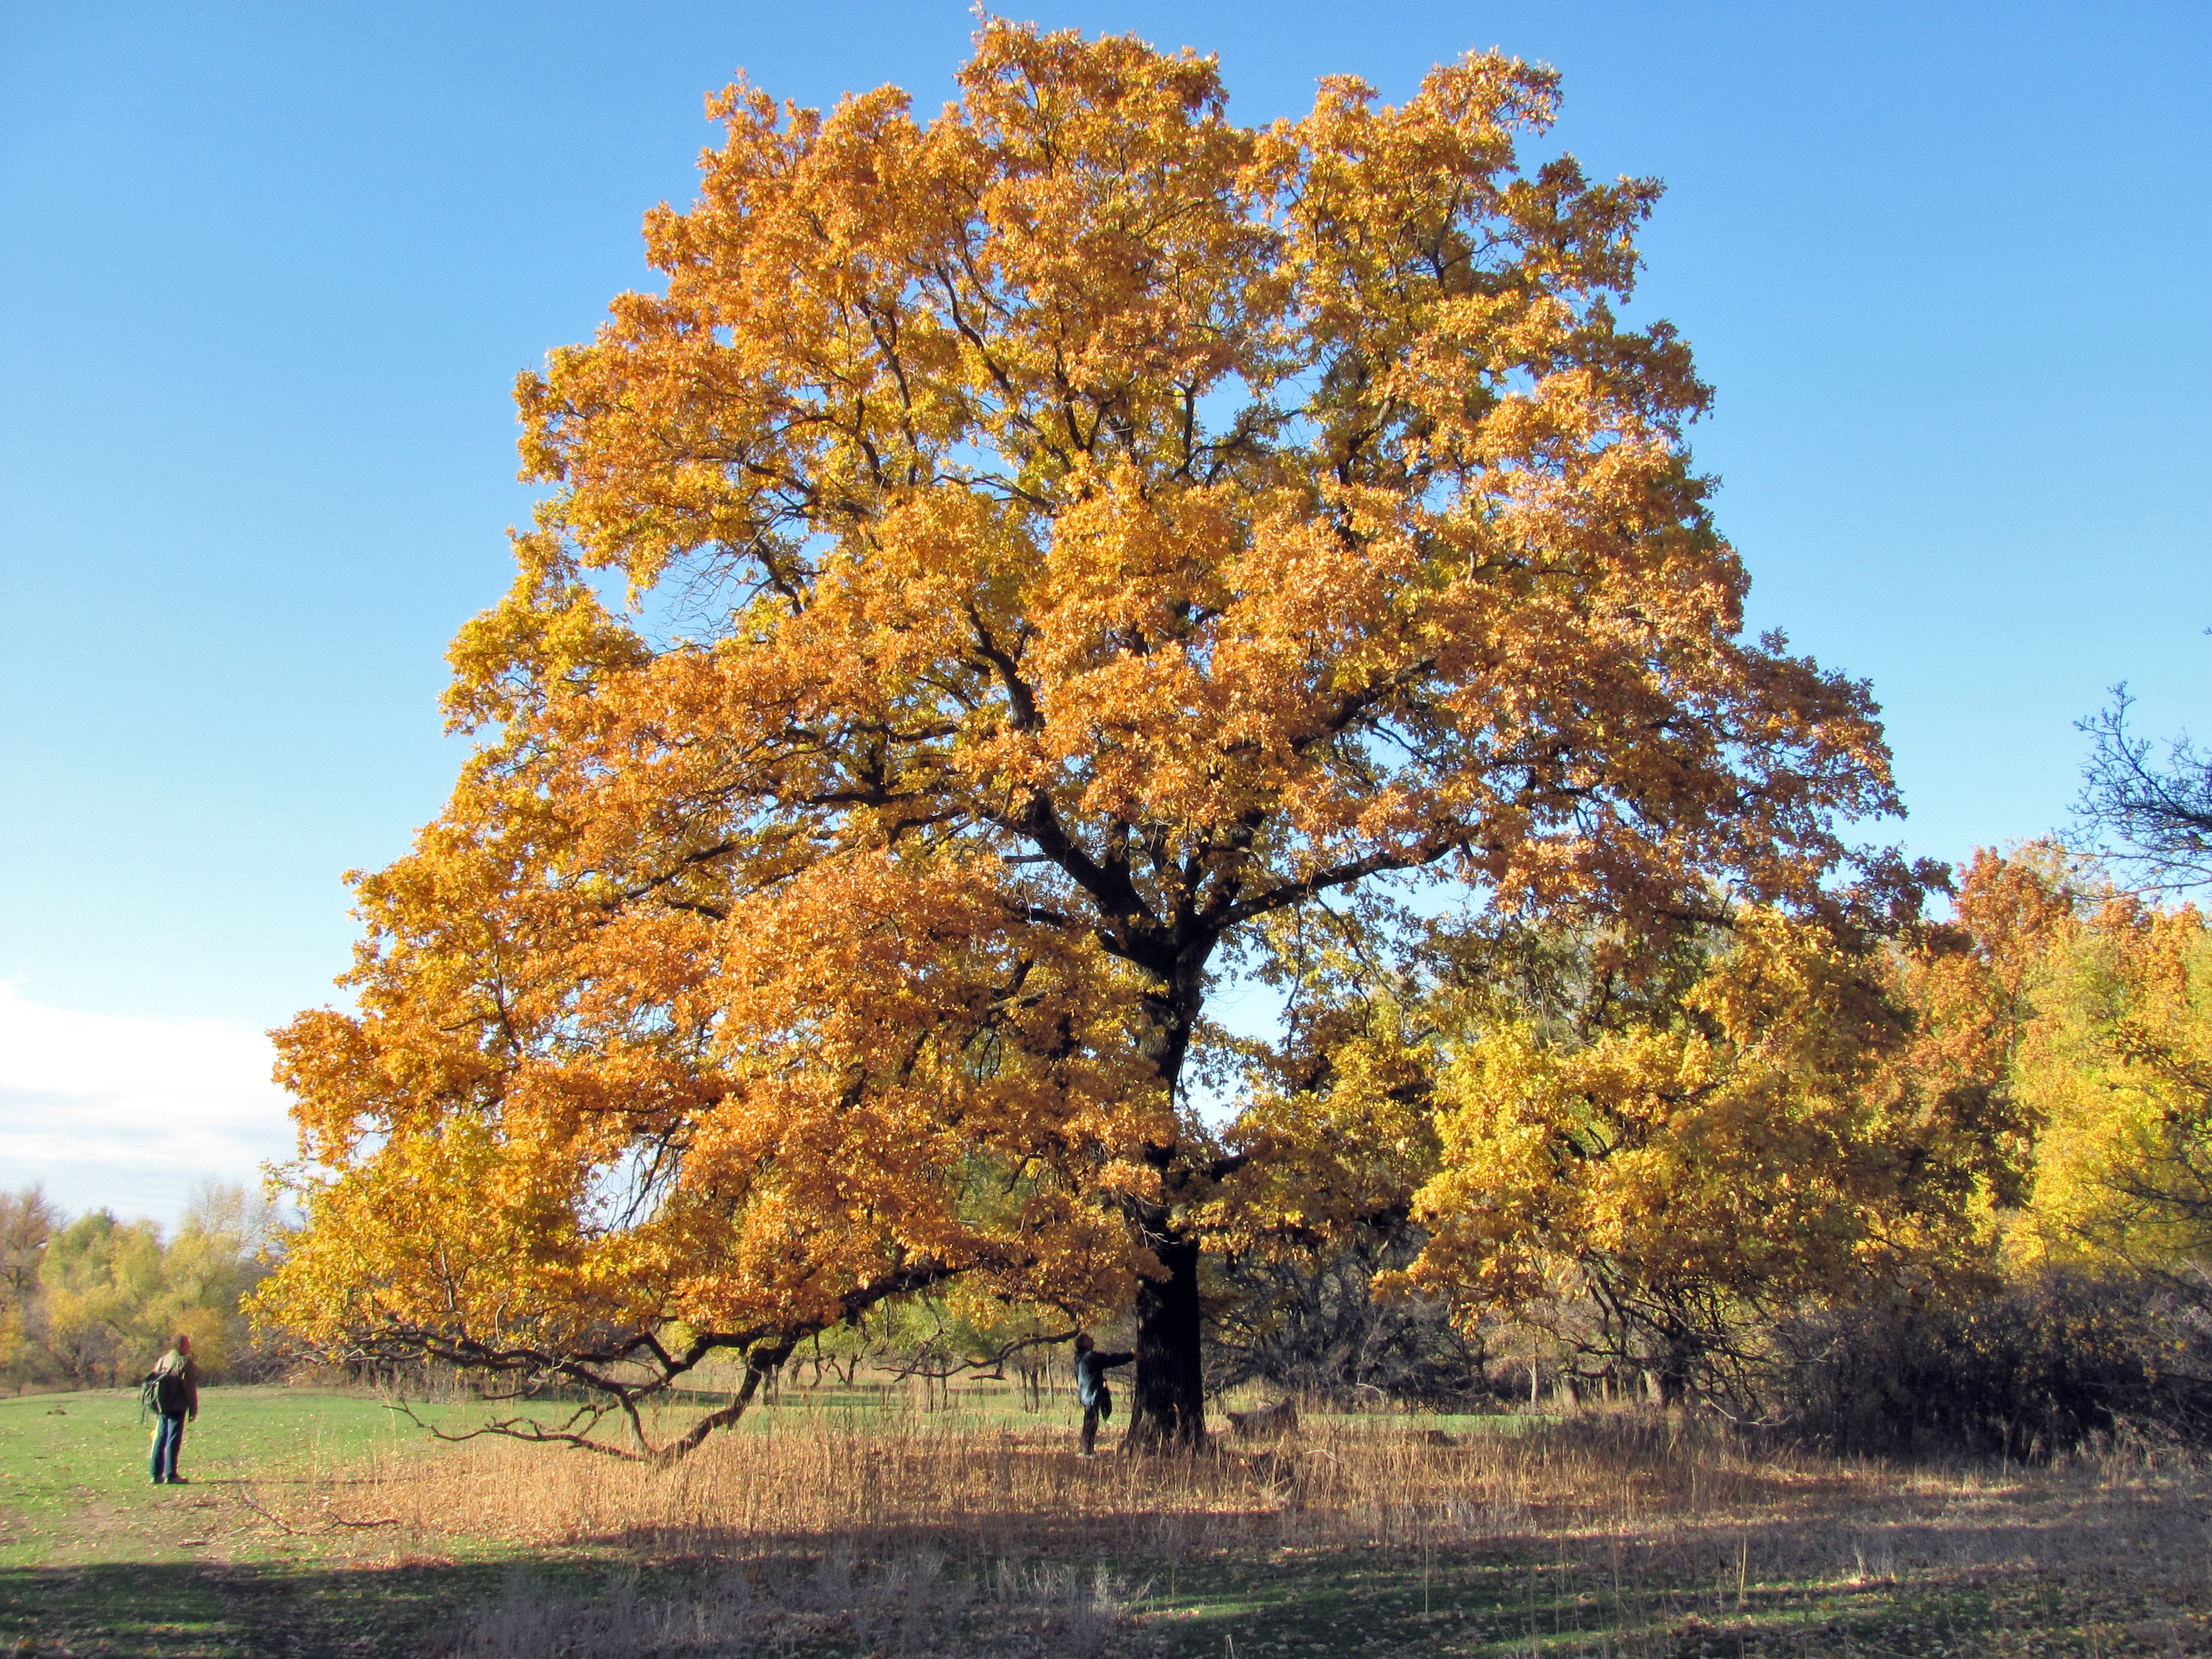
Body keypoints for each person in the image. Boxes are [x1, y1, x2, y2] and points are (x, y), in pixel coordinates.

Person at [146, 1333, 199, 1485]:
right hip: (177, 1406)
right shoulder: (183, 1362)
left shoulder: (162, 1360)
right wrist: (193, 1409)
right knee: (173, 1439)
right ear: (179, 1346)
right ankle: (171, 1474)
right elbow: (189, 1388)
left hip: (162, 1405)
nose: (189, 1347)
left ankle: (155, 1474)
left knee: (161, 1437)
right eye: (187, 1344)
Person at [1071, 1332, 1133, 1457]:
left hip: (1085, 1395)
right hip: (1091, 1395)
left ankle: (1086, 1450)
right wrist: (1131, 1356)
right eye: (1089, 1339)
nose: (1093, 1339)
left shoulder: (1079, 1359)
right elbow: (1110, 1359)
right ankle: (1087, 1451)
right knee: (1091, 1422)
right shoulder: (1090, 1357)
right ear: (1083, 1343)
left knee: (1090, 1421)